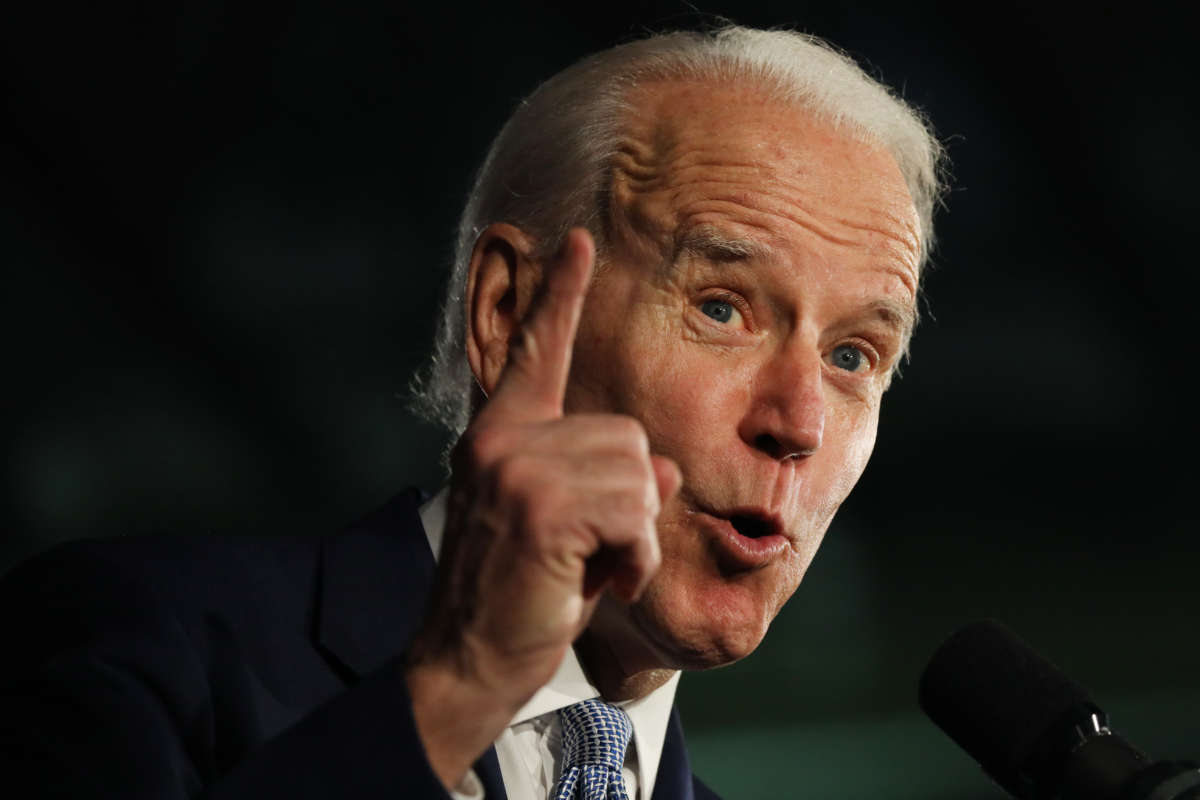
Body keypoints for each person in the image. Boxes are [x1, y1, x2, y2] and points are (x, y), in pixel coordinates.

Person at [0, 25, 943, 800]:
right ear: (507, 316)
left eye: (853, 355)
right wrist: (458, 689)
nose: (800, 422)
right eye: (721, 308)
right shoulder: (142, 641)